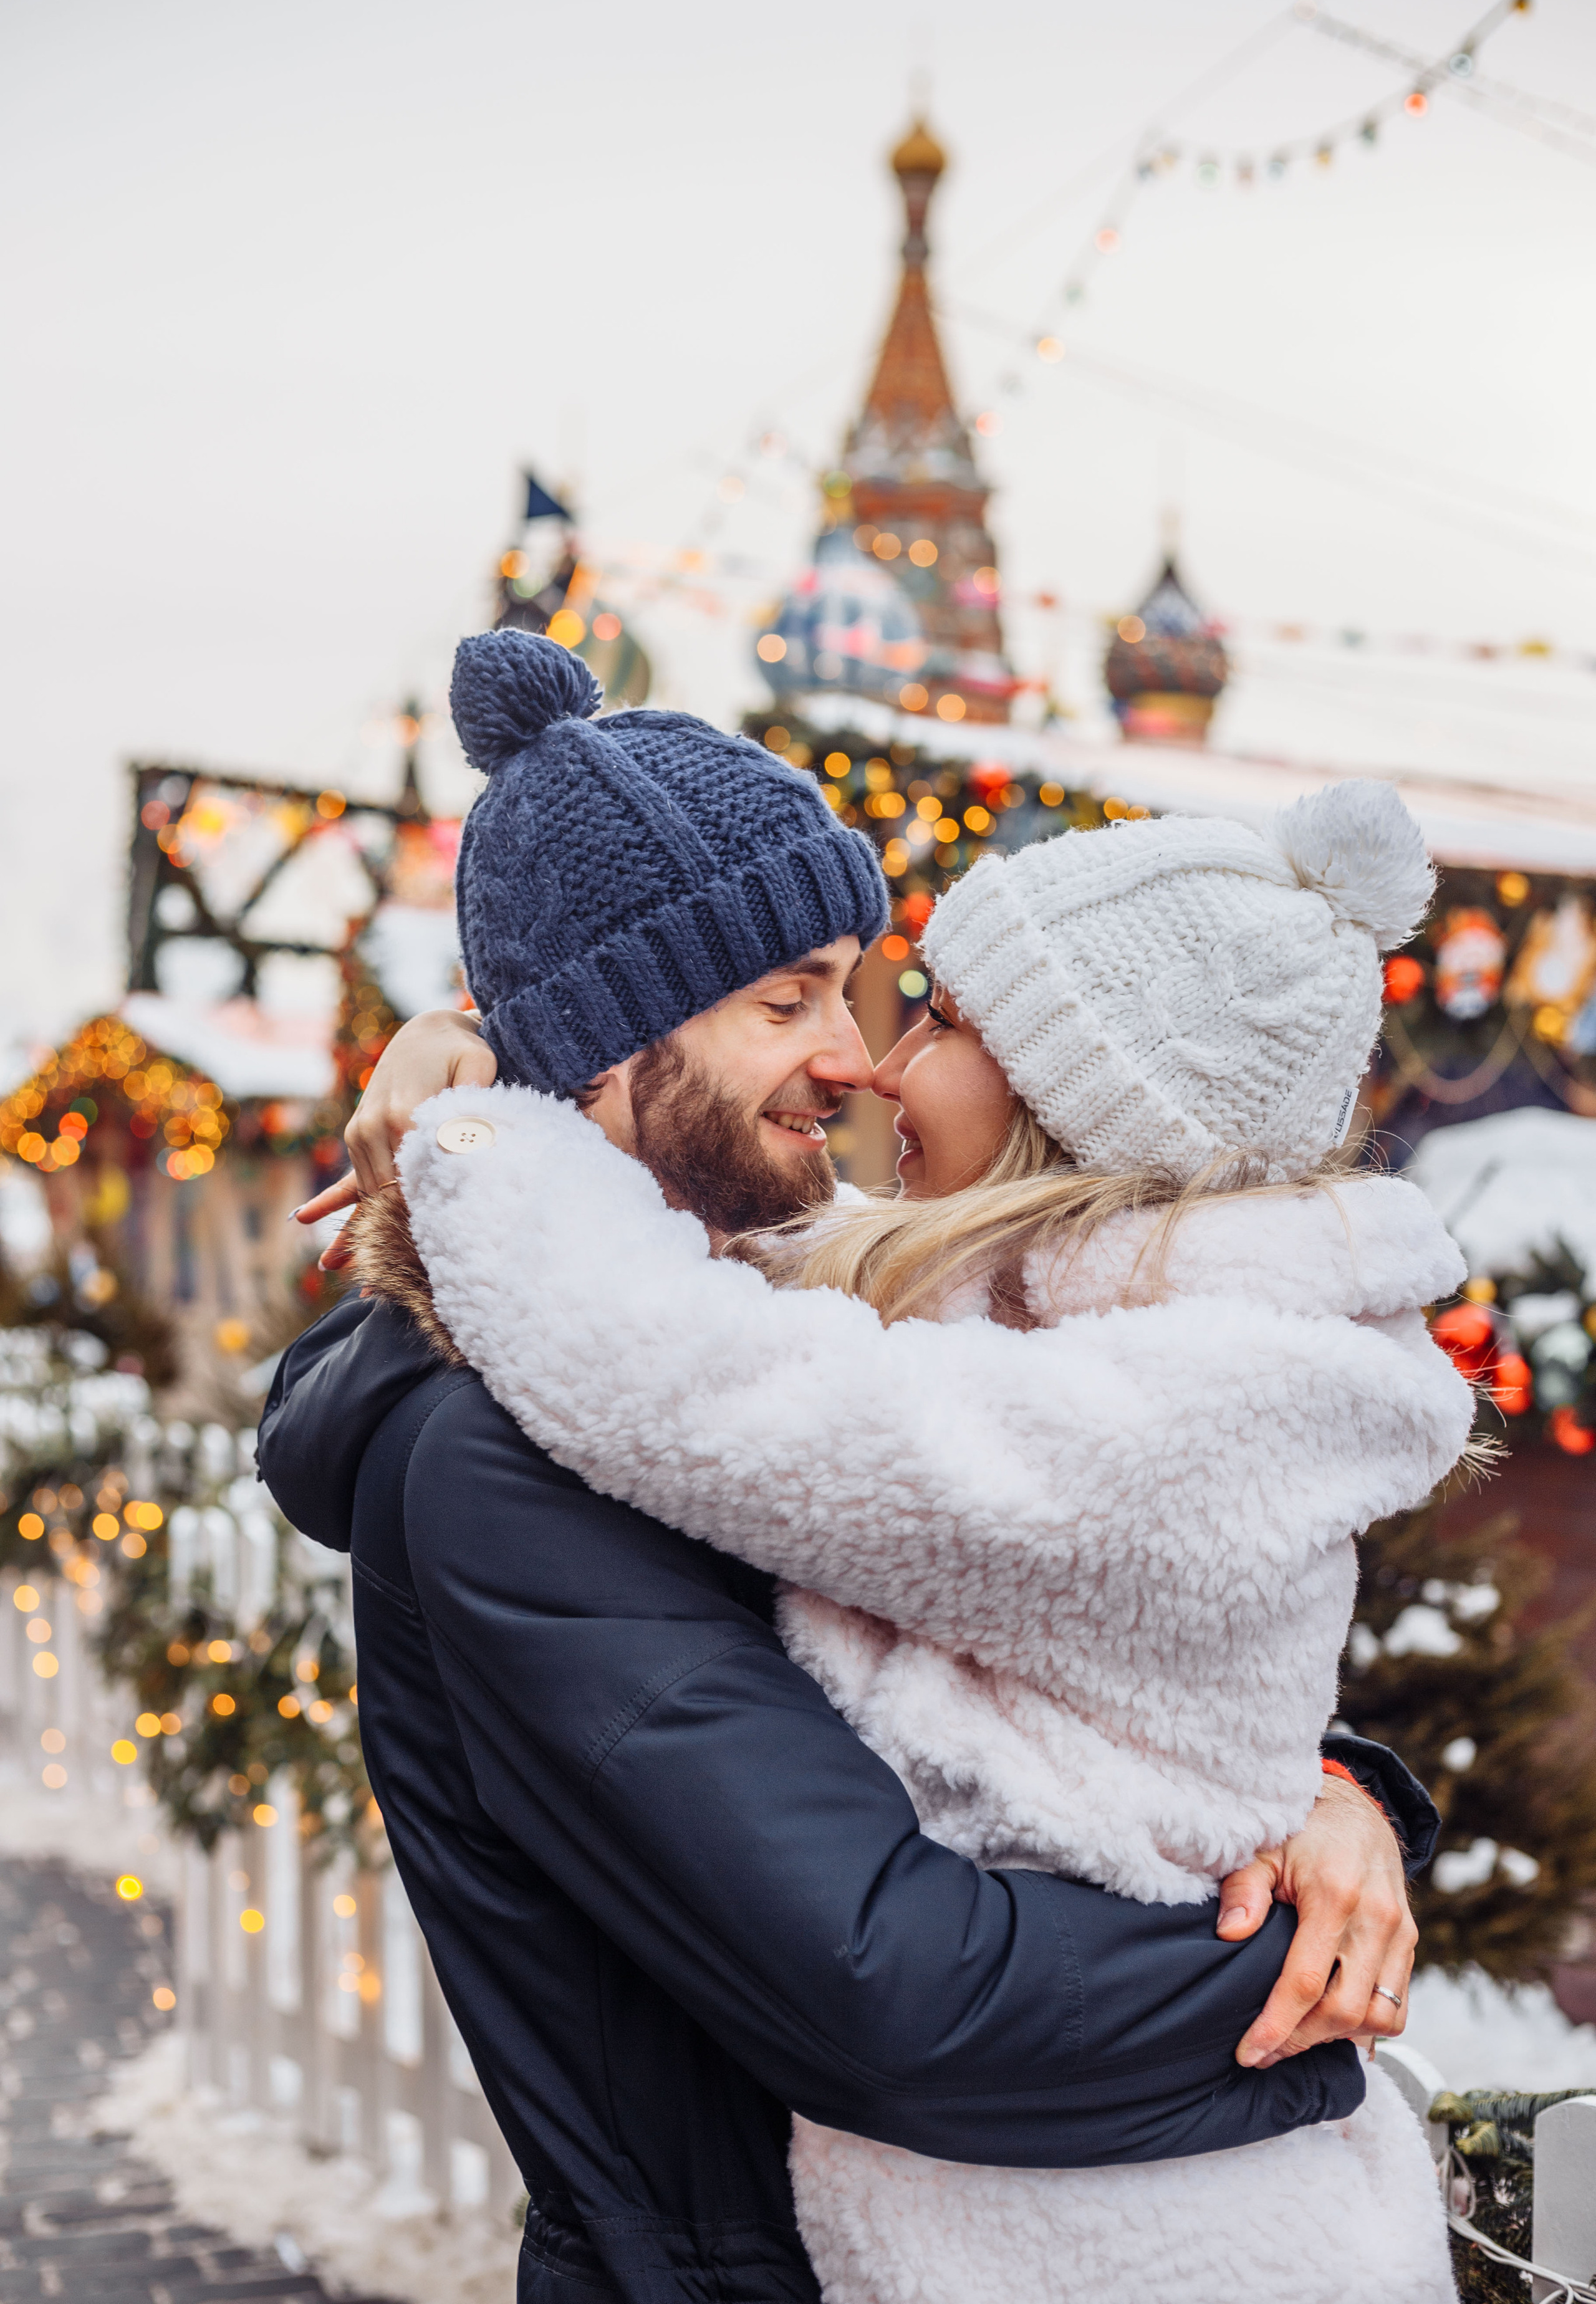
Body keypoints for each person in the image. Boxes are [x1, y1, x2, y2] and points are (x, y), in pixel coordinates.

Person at [262, 630, 1435, 2304]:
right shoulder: (504, 1460)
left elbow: (1060, 1613)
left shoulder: (792, 1318)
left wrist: (1330, 1791)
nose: (859, 1059)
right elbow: (898, 1997)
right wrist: (1304, 2022)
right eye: (787, 998)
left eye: (867, 991)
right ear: (615, 1044)